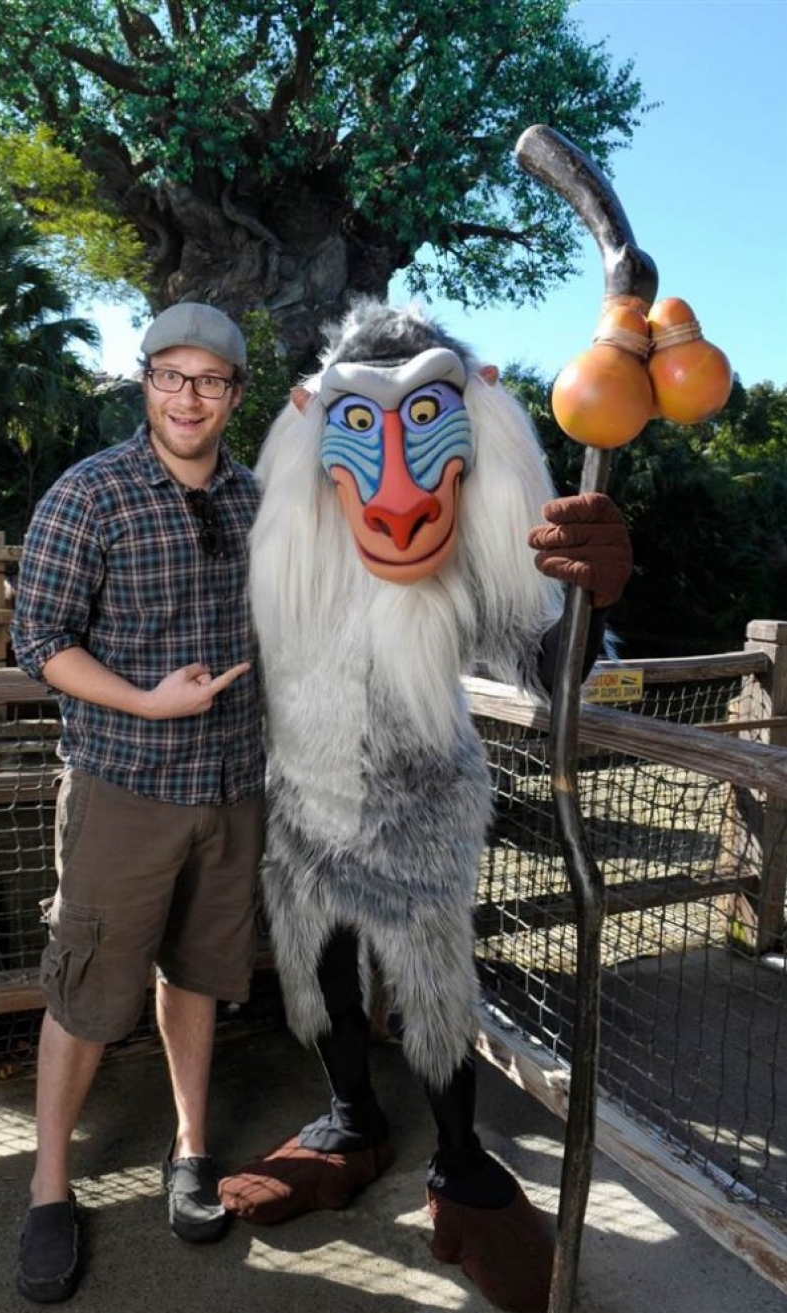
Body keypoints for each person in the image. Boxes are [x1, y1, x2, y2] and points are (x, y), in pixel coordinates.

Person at [217, 299, 633, 1313]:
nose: (397, 489)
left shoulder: (461, 552)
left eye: (423, 417)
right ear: (317, 423)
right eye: (362, 421)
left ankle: (461, 1159)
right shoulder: (284, 542)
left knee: (435, 988)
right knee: (319, 973)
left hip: (419, 804)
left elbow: (546, 663)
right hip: (300, 797)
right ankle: (349, 1117)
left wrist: (587, 599)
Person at [10, 302, 265, 1304]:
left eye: (209, 380)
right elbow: (41, 639)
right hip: (124, 785)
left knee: (197, 973)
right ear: (144, 381)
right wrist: (146, 700)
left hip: (233, 785)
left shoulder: (261, 500)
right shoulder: (90, 493)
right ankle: (48, 1187)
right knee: (85, 988)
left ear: (235, 393)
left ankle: (191, 1148)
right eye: (171, 376)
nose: (188, 397)